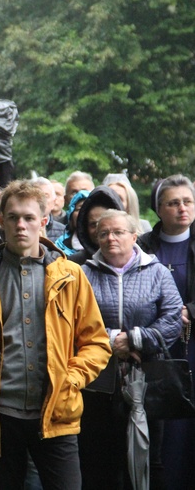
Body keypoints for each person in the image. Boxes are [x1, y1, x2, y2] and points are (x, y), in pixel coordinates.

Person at [0, 180, 111, 490]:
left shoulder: (71, 277)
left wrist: (70, 379)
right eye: (12, 217)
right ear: (1, 221)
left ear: (43, 222)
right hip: (0, 417)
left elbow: (96, 343)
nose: (20, 225)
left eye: (28, 218)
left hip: (56, 413)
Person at [79, 210, 181, 489]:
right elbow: (74, 323)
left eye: (118, 232)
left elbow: (172, 320)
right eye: (103, 233)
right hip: (98, 381)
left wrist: (136, 339)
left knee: (149, 457)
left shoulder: (157, 272)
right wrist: (113, 341)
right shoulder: (83, 274)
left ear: (134, 236)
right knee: (100, 460)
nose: (110, 238)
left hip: (148, 378)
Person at [137, 174, 195, 488]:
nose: (182, 209)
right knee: (163, 430)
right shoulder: (143, 246)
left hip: (192, 346)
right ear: (159, 209)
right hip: (156, 350)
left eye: (187, 201)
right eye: (173, 203)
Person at [67, 185, 124, 265]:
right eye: (93, 225)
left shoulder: (137, 261)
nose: (99, 230)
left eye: (105, 223)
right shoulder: (74, 264)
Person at [54, 189, 90, 256]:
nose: (83, 213)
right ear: (71, 214)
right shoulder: (60, 245)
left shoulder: (103, 244)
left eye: (88, 209)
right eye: (79, 209)